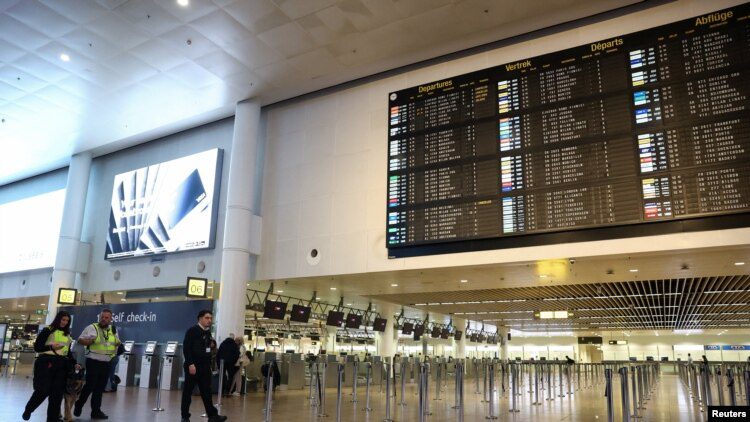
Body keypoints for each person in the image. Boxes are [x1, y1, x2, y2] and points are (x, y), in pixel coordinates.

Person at [23, 310, 79, 421]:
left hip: (62, 365)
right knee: (42, 391)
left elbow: (67, 352)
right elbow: (37, 347)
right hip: (47, 363)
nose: (64, 322)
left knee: (57, 395)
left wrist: (74, 363)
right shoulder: (47, 330)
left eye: (67, 321)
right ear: (58, 319)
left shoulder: (67, 334)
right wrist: (51, 347)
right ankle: (29, 409)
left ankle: (52, 419)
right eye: (63, 320)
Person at [74, 308, 120, 420]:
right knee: (90, 386)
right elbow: (80, 340)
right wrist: (88, 341)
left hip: (106, 362)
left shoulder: (113, 330)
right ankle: (79, 404)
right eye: (102, 317)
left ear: (110, 319)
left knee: (100, 388)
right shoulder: (92, 327)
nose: (103, 319)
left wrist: (118, 346)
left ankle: (96, 411)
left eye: (106, 317)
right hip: (93, 361)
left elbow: (116, 342)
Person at [181, 309, 227, 422]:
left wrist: (212, 345)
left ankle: (212, 416)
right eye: (207, 318)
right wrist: (190, 364)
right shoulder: (192, 331)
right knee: (187, 392)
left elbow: (207, 347)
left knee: (207, 392)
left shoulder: (207, 332)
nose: (209, 320)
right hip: (193, 367)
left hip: (205, 367)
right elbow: (186, 348)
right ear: (200, 318)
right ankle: (185, 416)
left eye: (211, 318)